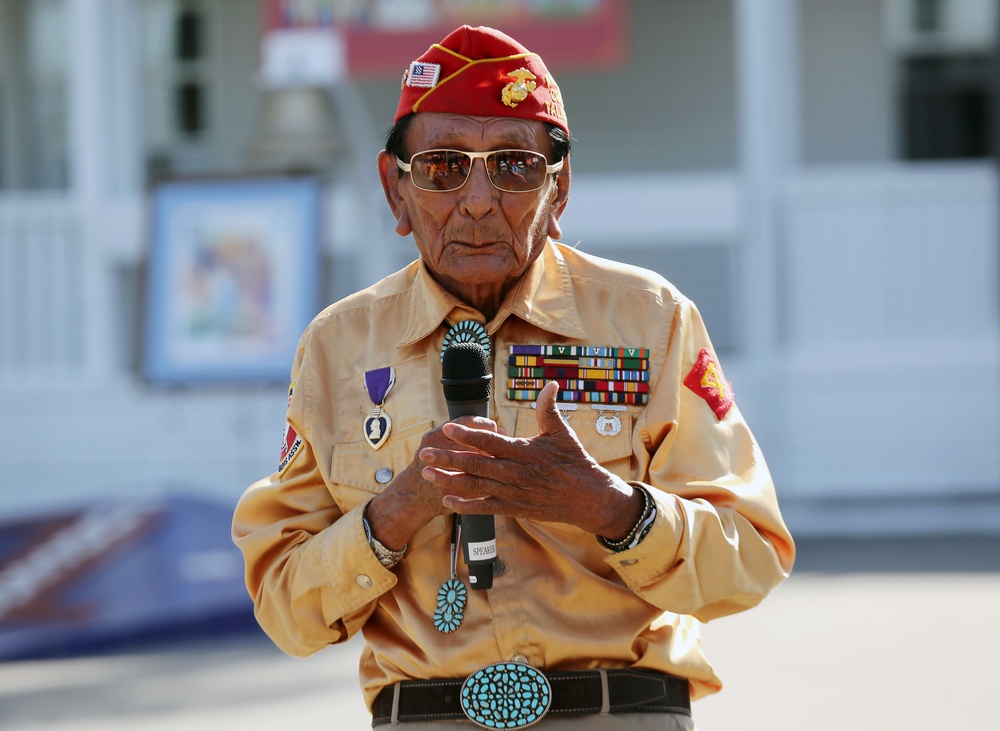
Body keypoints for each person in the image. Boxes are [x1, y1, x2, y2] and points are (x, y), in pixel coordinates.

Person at [232, 24, 795, 730]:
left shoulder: (648, 320)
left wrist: (612, 507)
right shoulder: (339, 346)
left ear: (559, 190)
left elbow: (749, 557)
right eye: (441, 167)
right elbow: (286, 609)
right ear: (394, 191)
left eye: (514, 166)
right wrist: (399, 508)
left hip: (620, 710)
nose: (475, 199)